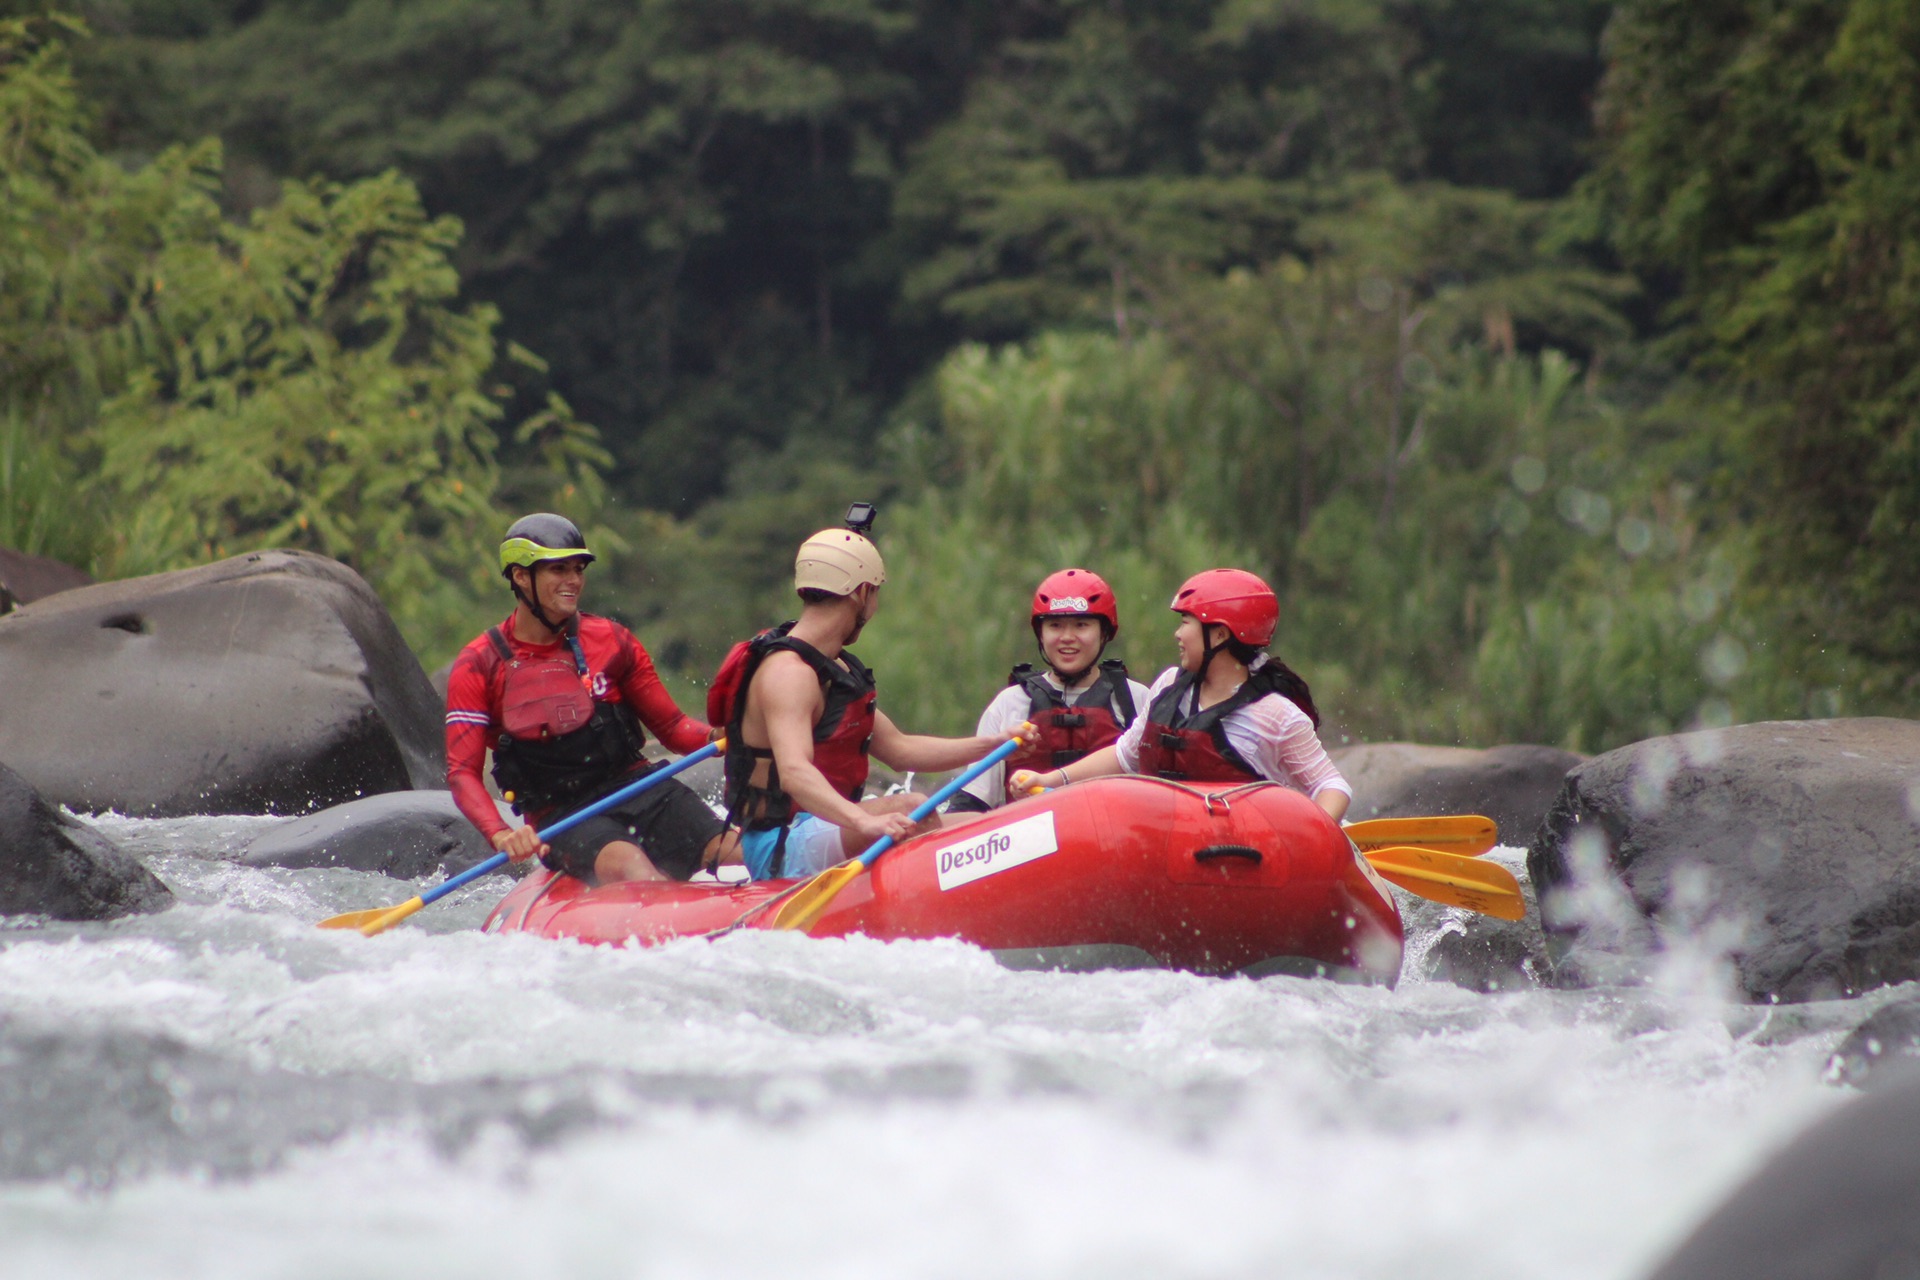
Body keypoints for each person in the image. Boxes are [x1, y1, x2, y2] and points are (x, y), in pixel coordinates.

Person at [718, 522, 1038, 880]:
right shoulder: (789, 674)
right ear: (862, 592)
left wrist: (995, 745)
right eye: (876, 594)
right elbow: (794, 772)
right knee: (914, 807)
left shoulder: (829, 665)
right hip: (780, 845)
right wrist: (864, 821)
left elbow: (900, 749)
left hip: (820, 828)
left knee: (978, 824)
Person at [444, 513, 737, 883]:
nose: (573, 581)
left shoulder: (612, 639)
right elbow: (462, 774)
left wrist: (718, 737)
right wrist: (501, 833)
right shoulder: (479, 664)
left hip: (641, 787)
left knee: (738, 852)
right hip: (564, 817)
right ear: (520, 576)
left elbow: (674, 728)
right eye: (559, 570)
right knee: (634, 870)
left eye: (578, 569)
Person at [1009, 568, 1351, 821]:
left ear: (1218, 635)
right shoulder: (1169, 686)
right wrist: (1049, 779)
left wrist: (1314, 835)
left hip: (1242, 862)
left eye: (1186, 622)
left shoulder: (1274, 714)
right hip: (1169, 854)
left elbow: (1333, 787)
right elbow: (1125, 756)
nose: (1177, 633)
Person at [948, 568, 1151, 813]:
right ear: (1041, 635)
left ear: (1104, 633)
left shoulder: (1136, 699)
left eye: (1081, 625)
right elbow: (971, 805)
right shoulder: (1010, 703)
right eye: (1055, 626)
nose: (1067, 637)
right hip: (1030, 843)